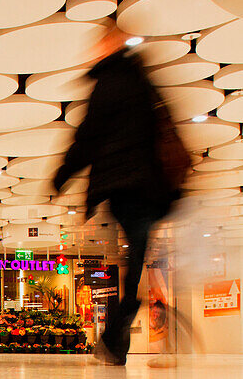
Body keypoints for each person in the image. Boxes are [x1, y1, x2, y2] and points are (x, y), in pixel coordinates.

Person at [53, 21, 181, 366]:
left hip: (123, 185)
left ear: (108, 46)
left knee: (133, 254)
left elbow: (89, 134)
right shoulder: (143, 80)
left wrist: (63, 173)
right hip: (151, 187)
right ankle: (117, 338)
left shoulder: (110, 81)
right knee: (135, 254)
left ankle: (118, 330)